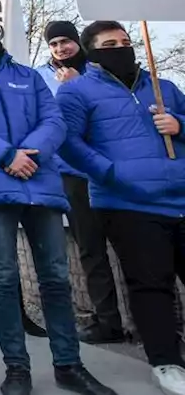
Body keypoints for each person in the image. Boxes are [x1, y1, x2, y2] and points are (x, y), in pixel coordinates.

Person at [0, 5, 113, 395]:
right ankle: (17, 367)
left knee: (55, 278)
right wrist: (6, 155)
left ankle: (69, 364)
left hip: (40, 182)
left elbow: (54, 121)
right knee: (1, 278)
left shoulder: (27, 74)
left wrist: (28, 153)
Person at [59, 21, 185, 395]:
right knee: (151, 284)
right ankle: (167, 361)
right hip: (127, 201)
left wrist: (178, 124)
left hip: (179, 195)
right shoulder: (76, 92)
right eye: (110, 44)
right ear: (92, 51)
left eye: (126, 42)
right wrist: (108, 173)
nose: (121, 48)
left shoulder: (165, 88)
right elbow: (68, 142)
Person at [37, 20, 127, 345]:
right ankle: (108, 321)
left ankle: (151, 320)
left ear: (78, 42)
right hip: (73, 174)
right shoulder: (41, 77)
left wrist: (78, 86)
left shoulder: (102, 69)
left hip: (112, 167)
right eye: (54, 44)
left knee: (132, 245)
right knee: (90, 248)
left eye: (65, 41)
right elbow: (48, 122)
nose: (61, 49)